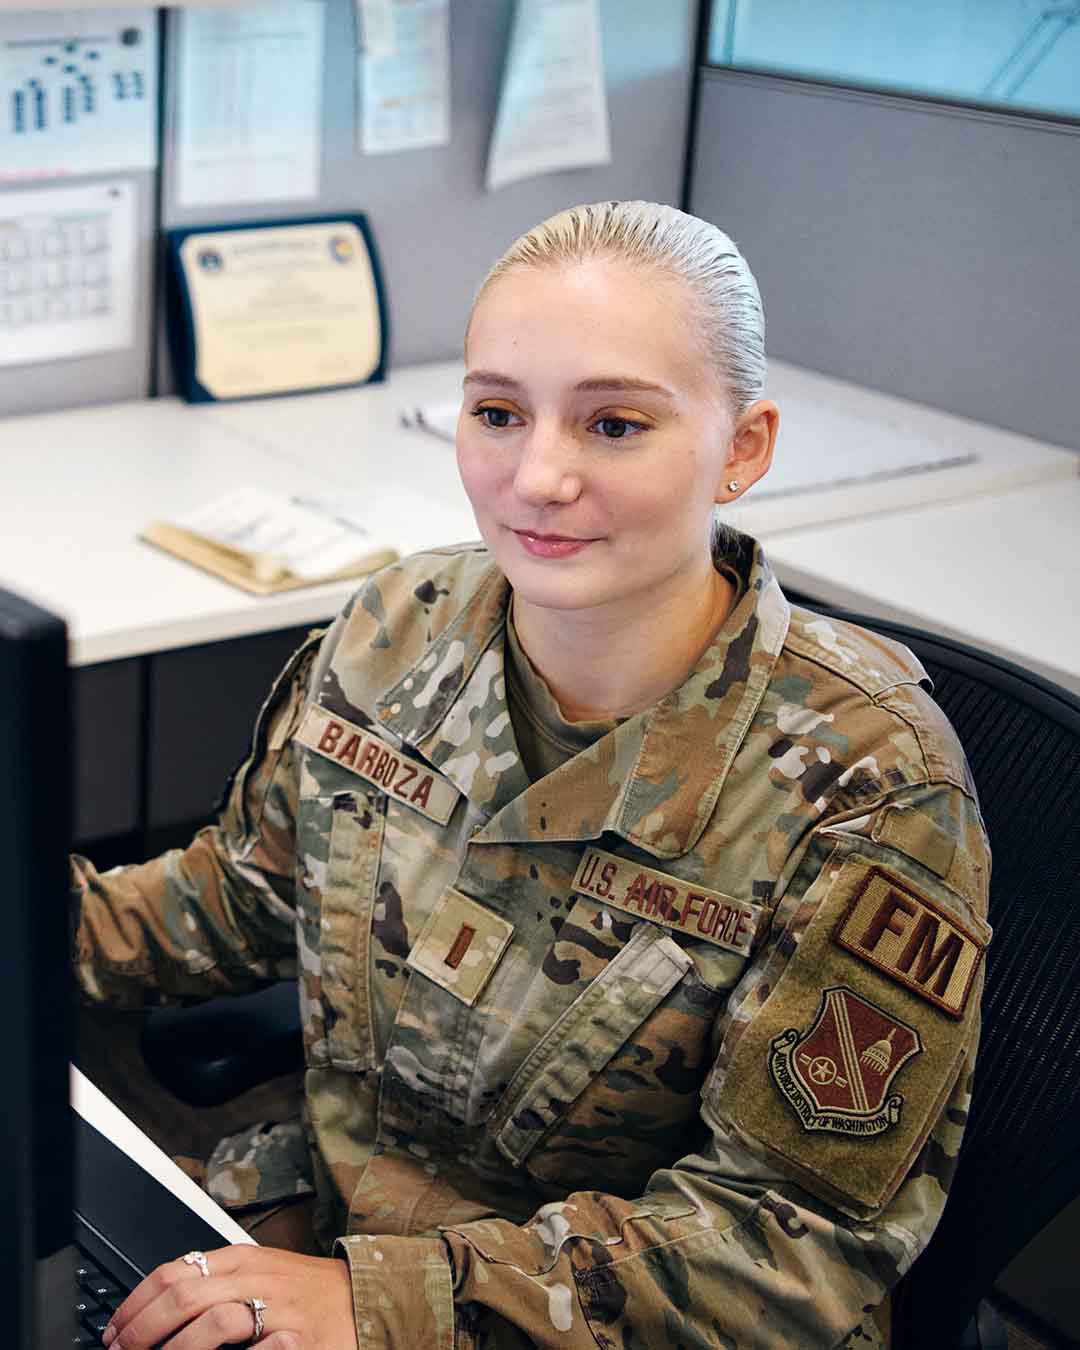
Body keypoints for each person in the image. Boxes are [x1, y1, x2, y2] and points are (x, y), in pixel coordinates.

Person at [73, 200, 991, 1349]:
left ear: (743, 448)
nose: (537, 476)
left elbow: (787, 1241)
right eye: (498, 412)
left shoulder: (867, 785)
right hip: (322, 1241)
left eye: (614, 425)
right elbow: (251, 896)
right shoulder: (401, 626)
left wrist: (383, 1306)